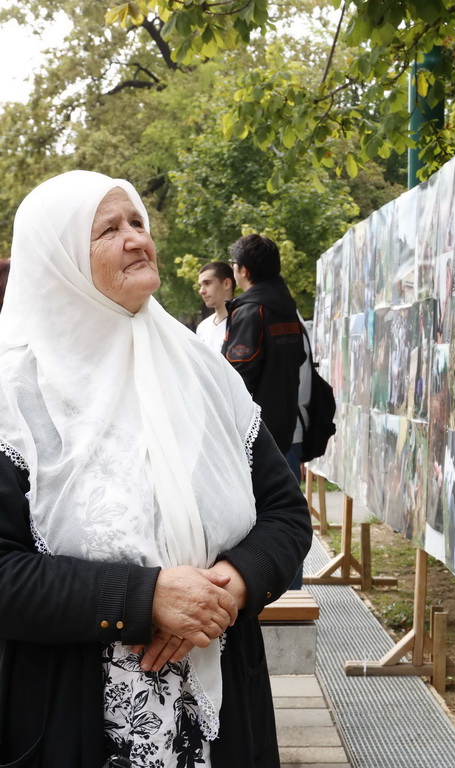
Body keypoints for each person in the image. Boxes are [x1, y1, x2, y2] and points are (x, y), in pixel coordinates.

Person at [0, 171, 312, 765]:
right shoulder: (14, 394)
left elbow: (285, 514)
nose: (135, 239)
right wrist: (144, 599)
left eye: (138, 222)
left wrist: (230, 584)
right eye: (109, 229)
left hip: (222, 712)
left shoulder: (202, 373)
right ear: (59, 257)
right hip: (70, 722)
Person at [223, 234, 308, 455]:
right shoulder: (287, 309)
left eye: (234, 263)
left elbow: (237, 377)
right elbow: (299, 357)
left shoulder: (251, 311)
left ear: (244, 271)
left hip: (253, 434)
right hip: (284, 425)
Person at [195, 260, 236, 353]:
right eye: (200, 286)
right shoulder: (202, 327)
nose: (201, 291)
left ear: (226, 284)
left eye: (207, 283)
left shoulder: (242, 323)